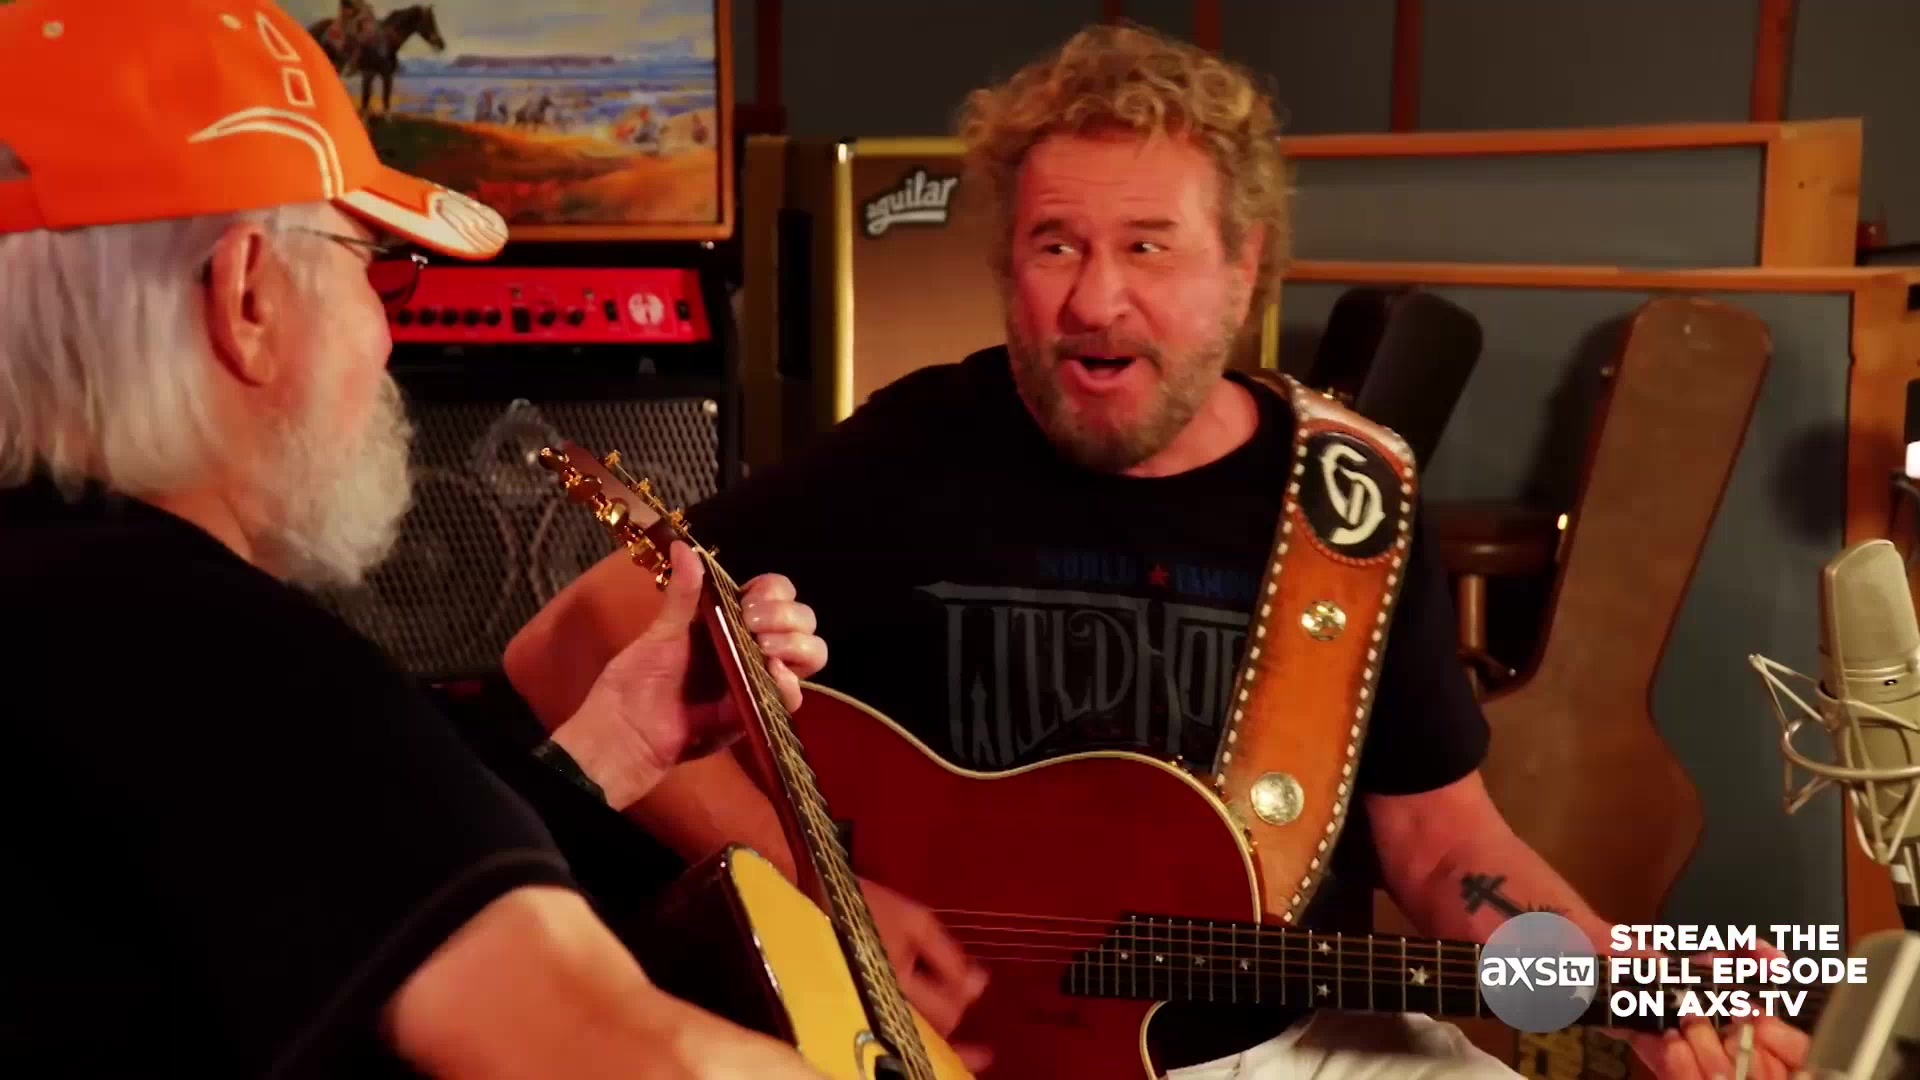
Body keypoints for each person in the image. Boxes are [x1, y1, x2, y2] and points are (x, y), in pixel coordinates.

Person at [506, 21, 1810, 1080]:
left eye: (1148, 247)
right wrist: (823, 896)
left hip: (1289, 1043)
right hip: (949, 1051)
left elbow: (1437, 843)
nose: (1095, 298)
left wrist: (1625, 986)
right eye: (1054, 246)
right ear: (1007, 267)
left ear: (1243, 266)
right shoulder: (915, 448)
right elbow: (565, 648)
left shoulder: (1346, 503)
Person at [0, 1, 829, 1076]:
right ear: (248, 297)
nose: (388, 335)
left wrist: (621, 740)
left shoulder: (75, 625)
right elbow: (633, 1055)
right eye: (371, 264)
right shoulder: (204, 651)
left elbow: (333, 896)